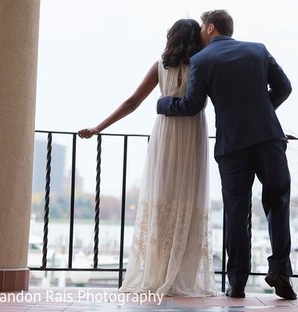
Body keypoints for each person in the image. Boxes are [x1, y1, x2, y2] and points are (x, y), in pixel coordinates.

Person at [157, 9, 296, 300]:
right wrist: (263, 113)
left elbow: (192, 106)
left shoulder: (202, 60)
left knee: (236, 212)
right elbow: (284, 87)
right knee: (278, 201)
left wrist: (163, 103)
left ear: (209, 28)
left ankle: (237, 283)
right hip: (269, 138)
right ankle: (281, 269)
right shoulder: (258, 50)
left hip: (232, 147)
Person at [78, 18, 217, 297]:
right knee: (188, 198)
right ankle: (181, 275)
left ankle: (156, 271)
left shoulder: (159, 66)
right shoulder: (202, 65)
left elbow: (132, 102)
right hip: (192, 135)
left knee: (162, 197)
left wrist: (98, 127)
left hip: (166, 134)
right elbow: (224, 103)